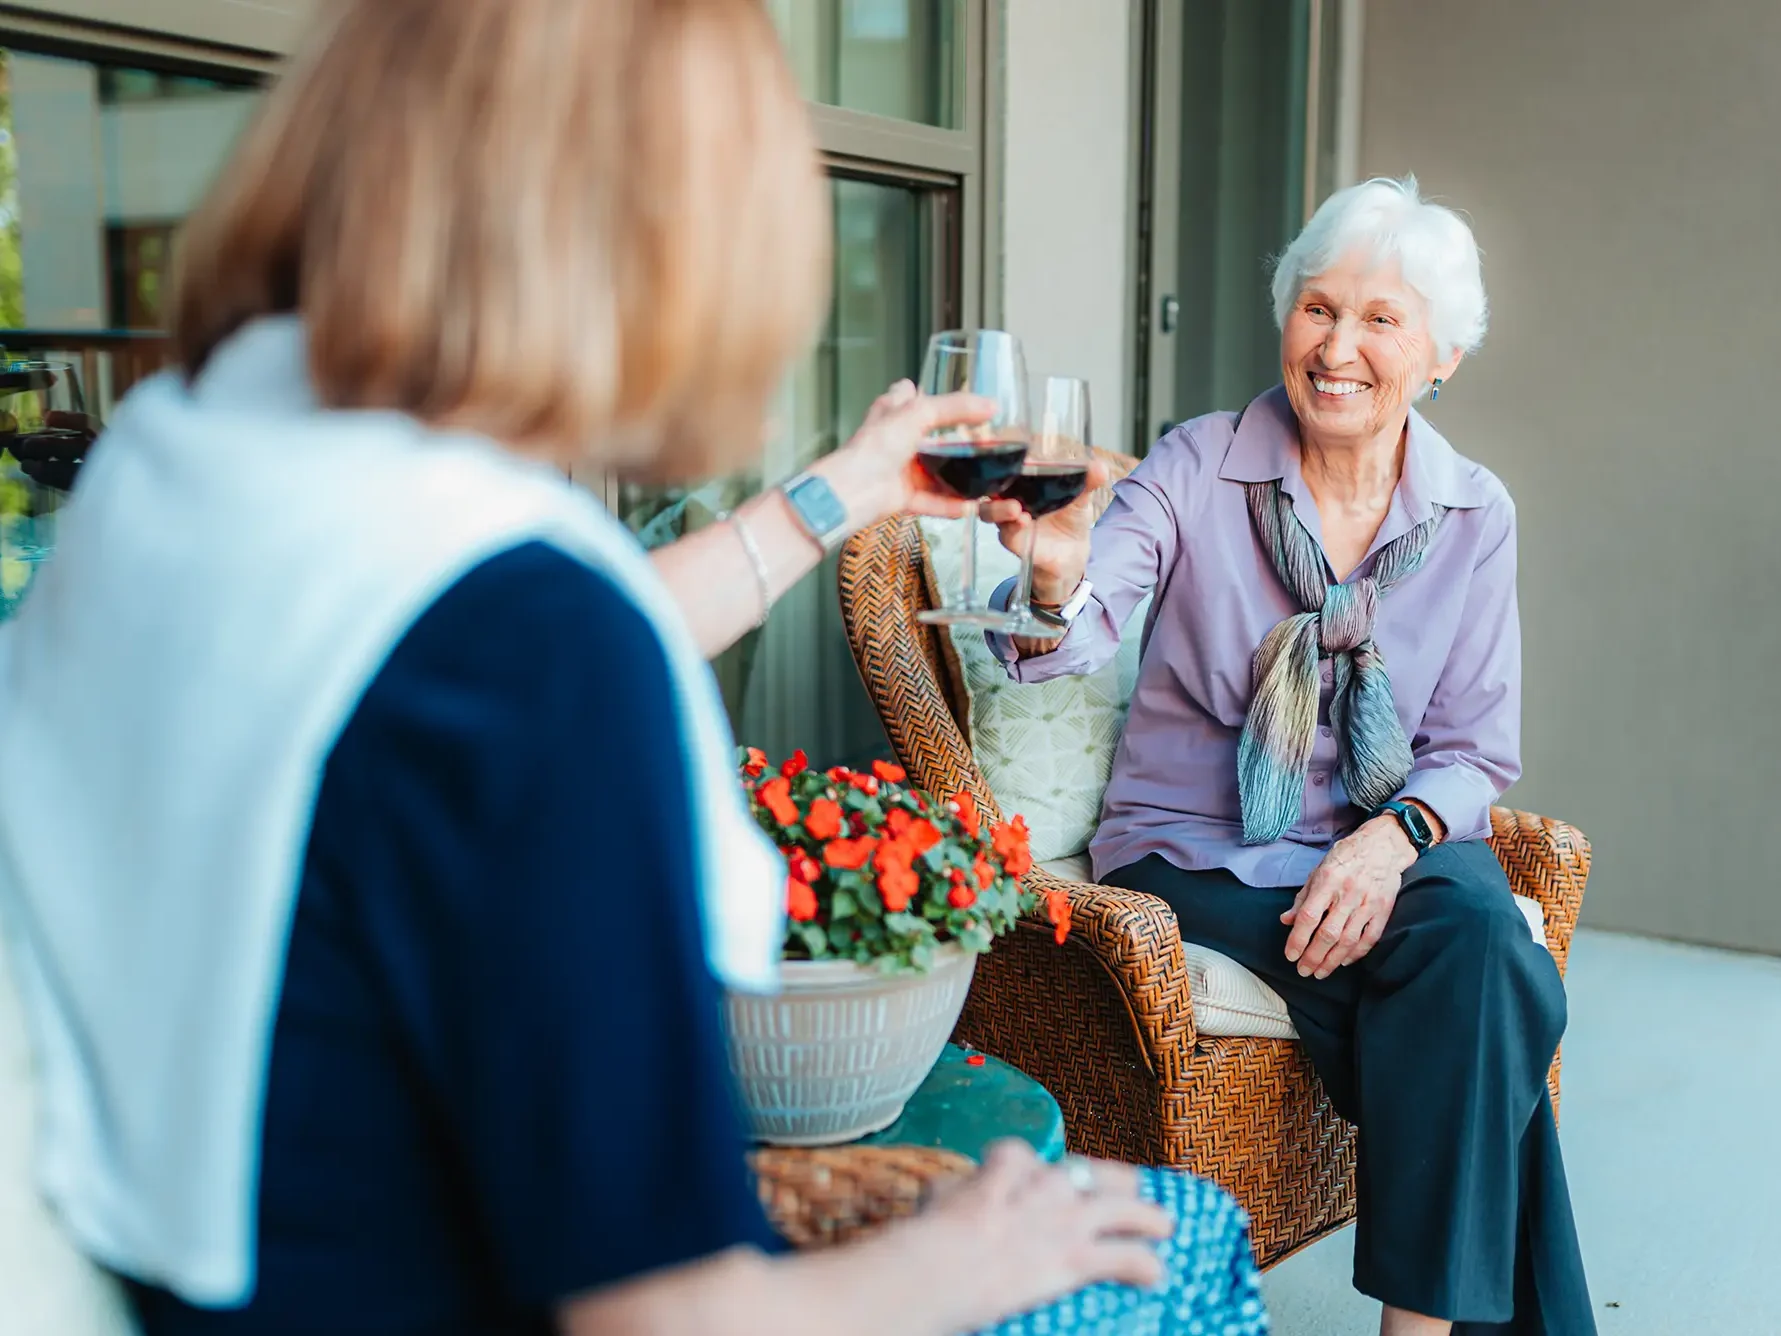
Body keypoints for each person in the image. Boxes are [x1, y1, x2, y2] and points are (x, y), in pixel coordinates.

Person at [0, 2, 1267, 1334]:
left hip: (189, 1258)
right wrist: (970, 1256)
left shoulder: (189, 465)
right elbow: (663, 1318)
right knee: (1175, 1247)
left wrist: (842, 490)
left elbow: (495, 646)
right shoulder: (526, 645)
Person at [991, 177, 1593, 1336]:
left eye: (1380, 320)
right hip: (1201, 851)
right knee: (1488, 980)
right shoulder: (1196, 465)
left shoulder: (1471, 512)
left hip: (1387, 839)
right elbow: (1077, 629)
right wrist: (1057, 570)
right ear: (1285, 318)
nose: (1338, 347)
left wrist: (1383, 843)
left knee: (1470, 931)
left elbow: (1470, 750)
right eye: (1318, 308)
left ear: (1440, 356)